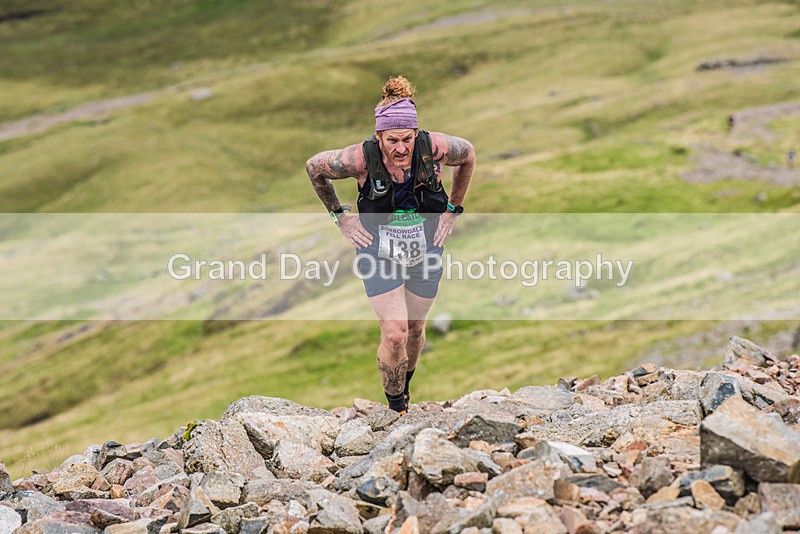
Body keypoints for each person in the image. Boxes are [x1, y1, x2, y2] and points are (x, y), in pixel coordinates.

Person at [305, 76, 475, 414]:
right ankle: (396, 409)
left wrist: (453, 211)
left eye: (408, 139)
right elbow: (314, 168)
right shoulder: (359, 159)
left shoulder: (435, 147)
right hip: (378, 250)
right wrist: (341, 216)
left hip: (426, 248)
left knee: (414, 328)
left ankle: (405, 390)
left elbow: (468, 155)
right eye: (392, 140)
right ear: (378, 136)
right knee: (395, 332)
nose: (401, 148)